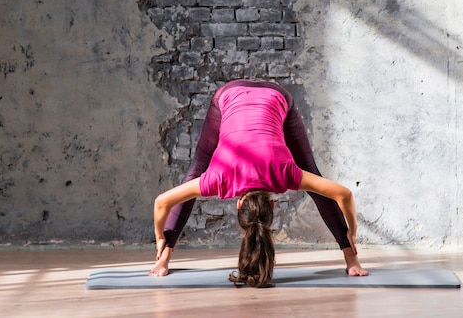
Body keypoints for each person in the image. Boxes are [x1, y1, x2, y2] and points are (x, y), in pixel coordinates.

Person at [150, 79, 368, 287]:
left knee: (195, 172)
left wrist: (161, 238)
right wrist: (352, 233)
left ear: (271, 205)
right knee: (313, 175)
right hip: (256, 95)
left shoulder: (282, 174)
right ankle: (351, 258)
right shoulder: (222, 178)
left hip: (248, 94)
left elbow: (162, 202)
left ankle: (164, 257)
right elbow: (162, 202)